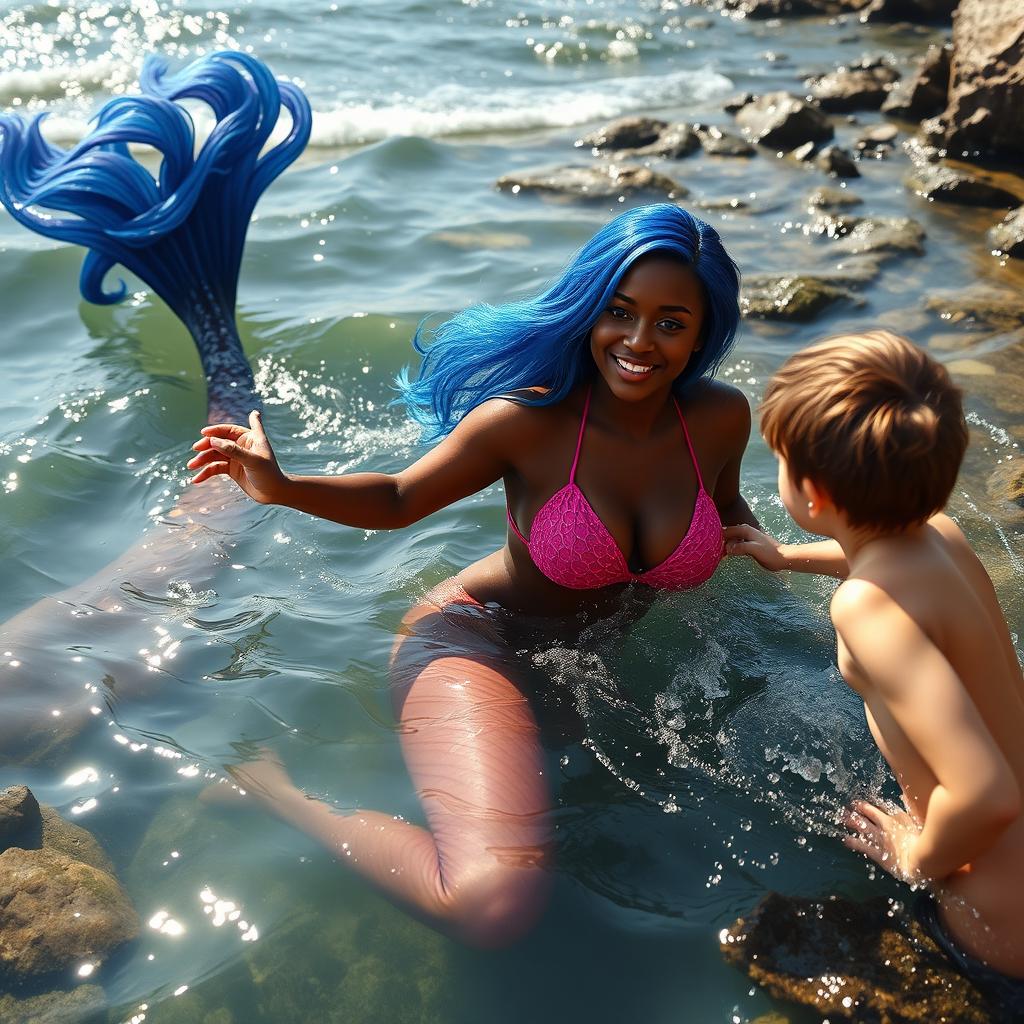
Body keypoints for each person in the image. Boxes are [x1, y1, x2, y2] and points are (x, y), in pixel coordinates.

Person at [186, 203, 759, 947]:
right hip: (470, 644)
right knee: (494, 903)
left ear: (702, 331)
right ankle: (271, 786)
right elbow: (398, 498)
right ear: (589, 309)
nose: (638, 342)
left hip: (581, 669)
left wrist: (840, 563)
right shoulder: (528, 423)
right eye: (619, 312)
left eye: (670, 322)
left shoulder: (718, 417)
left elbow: (729, 514)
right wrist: (283, 485)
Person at [724, 330, 1024, 1012]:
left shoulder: (867, 611)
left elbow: (987, 795)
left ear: (812, 489)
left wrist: (914, 859)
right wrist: (787, 556)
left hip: (997, 928)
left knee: (775, 951)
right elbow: (880, 554)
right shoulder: (937, 529)